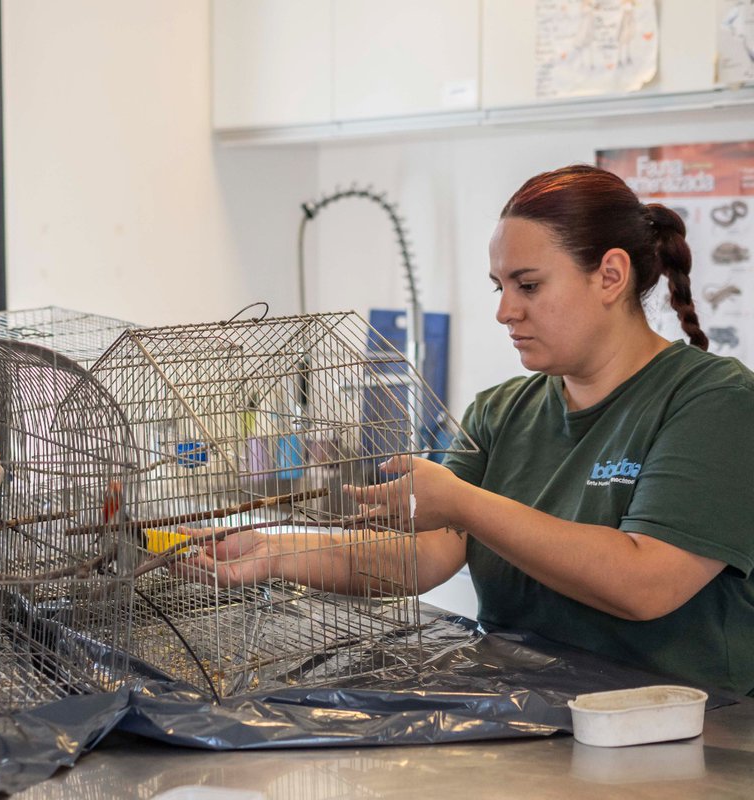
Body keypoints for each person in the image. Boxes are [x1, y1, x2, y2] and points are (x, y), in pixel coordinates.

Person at [190, 164, 754, 697]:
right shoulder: (500, 412)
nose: (505, 311)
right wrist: (273, 551)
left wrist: (463, 502)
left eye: (528, 286)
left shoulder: (714, 401)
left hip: (679, 725)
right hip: (530, 711)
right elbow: (424, 554)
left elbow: (646, 583)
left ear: (610, 276)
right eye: (498, 287)